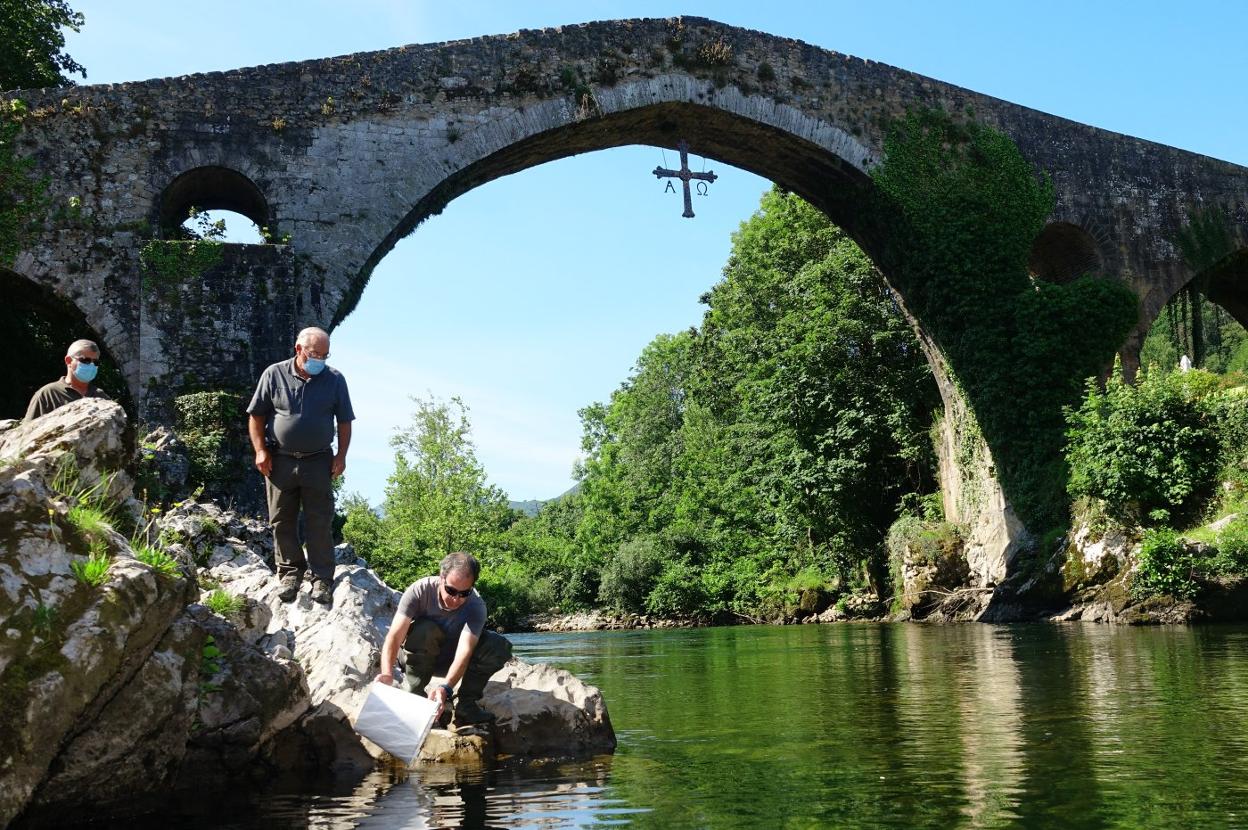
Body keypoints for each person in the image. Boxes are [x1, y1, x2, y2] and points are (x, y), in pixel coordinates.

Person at [246, 326, 354, 605]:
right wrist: (260, 451)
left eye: (325, 355)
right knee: (281, 519)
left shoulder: (335, 380)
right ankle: (290, 573)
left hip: (318, 460)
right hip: (279, 459)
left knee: (319, 519)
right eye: (315, 354)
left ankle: (322, 579)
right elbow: (256, 415)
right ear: (299, 350)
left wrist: (340, 456)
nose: (320, 360)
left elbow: (344, 421)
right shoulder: (274, 374)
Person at [376, 552, 513, 727]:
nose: (456, 599)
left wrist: (445, 688)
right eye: (451, 590)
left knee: (497, 645)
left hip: (450, 659)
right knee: (426, 629)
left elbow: (464, 652)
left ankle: (466, 705)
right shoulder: (420, 591)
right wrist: (387, 673)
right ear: (441, 578)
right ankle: (414, 694)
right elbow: (395, 637)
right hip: (416, 655)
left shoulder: (476, 606)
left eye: (464, 593)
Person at [24, 339, 111, 421]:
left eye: (95, 362)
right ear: (68, 361)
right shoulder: (48, 394)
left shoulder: (101, 397)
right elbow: (27, 432)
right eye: (86, 360)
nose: (91, 365)